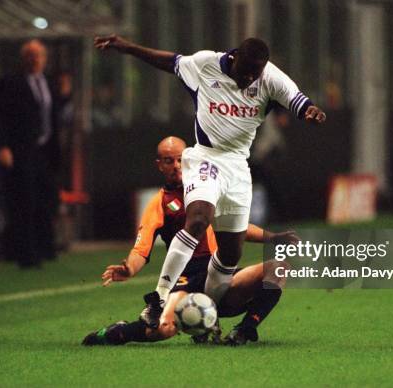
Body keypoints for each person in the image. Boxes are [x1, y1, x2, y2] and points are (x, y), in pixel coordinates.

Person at [94, 35, 326, 326]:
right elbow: (169, 61)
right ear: (235, 57)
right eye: (246, 71)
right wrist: (127, 48)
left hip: (238, 167)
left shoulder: (270, 77)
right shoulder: (206, 64)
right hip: (206, 157)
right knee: (199, 219)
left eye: (256, 73)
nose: (250, 78)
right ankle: (159, 298)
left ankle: (208, 315)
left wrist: (309, 112)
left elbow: (297, 100)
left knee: (230, 253)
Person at [82, 136, 297, 346]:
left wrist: (273, 238)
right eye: (169, 161)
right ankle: (116, 333)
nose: (176, 166)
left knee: (277, 268)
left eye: (180, 160)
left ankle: (245, 329)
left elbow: (236, 229)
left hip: (219, 275)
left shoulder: (209, 189)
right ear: (159, 165)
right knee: (163, 328)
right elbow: (142, 248)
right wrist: (129, 269)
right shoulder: (160, 203)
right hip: (186, 279)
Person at [0, 39, 61, 268]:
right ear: (23, 59)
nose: (35, 60)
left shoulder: (48, 83)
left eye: (38, 55)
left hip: (44, 150)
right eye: (30, 56)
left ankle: (45, 247)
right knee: (24, 200)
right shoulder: (10, 82)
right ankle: (25, 253)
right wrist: (2, 146)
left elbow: (53, 114)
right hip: (21, 149)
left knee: (46, 198)